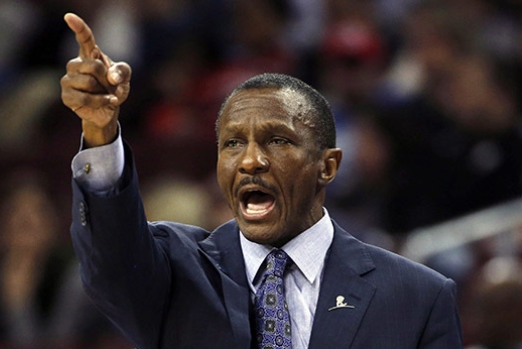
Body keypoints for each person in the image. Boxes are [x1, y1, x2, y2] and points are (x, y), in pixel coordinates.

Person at [60, 13, 463, 349]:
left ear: (328, 166)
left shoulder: (417, 298)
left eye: (277, 140)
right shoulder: (175, 271)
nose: (251, 160)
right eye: (233, 143)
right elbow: (112, 256)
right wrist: (100, 132)